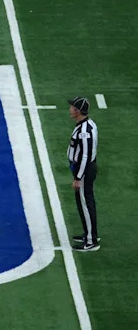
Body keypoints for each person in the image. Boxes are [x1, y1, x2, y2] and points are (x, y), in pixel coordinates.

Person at [67, 97, 99, 251]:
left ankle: (91, 241)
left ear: (77, 111)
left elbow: (85, 156)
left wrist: (78, 177)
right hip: (84, 168)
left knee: (85, 204)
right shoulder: (87, 125)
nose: (70, 109)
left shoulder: (84, 131)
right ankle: (89, 233)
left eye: (72, 107)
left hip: (84, 170)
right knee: (84, 203)